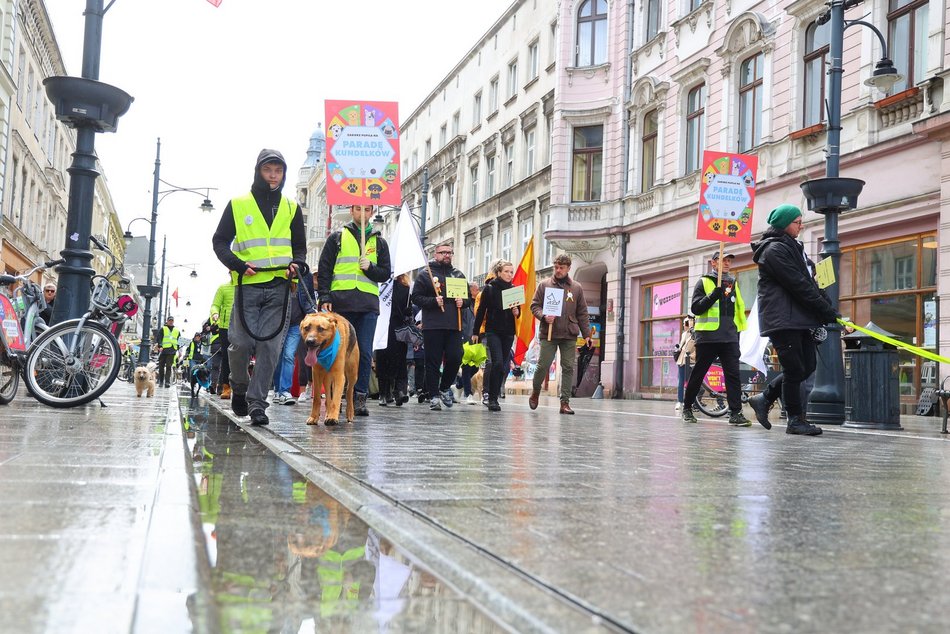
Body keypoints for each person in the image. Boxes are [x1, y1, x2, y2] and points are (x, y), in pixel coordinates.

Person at [211, 148, 307, 426]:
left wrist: (297, 264)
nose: (273, 175)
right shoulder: (238, 204)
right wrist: (238, 265)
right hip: (248, 285)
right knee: (240, 343)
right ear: (258, 171)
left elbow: (299, 248)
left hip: (280, 287)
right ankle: (239, 386)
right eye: (268, 170)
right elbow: (219, 242)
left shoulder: (291, 207)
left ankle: (257, 404)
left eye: (278, 170)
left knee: (269, 348)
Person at [748, 204, 838, 436]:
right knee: (795, 369)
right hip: (782, 319)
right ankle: (795, 420)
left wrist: (829, 309)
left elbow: (810, 283)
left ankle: (765, 398)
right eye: (797, 222)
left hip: (798, 318)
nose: (801, 226)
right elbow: (798, 285)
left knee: (807, 366)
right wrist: (825, 311)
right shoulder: (773, 250)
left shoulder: (794, 248)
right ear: (784, 224)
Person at [317, 204, 393, 417]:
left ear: (372, 212)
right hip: (341, 303)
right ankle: (337, 396)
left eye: (367, 209)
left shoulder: (379, 242)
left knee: (365, 352)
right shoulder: (337, 238)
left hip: (367, 304)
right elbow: (325, 268)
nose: (363, 213)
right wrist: (324, 296)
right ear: (352, 211)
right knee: (337, 352)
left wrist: (371, 268)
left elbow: (385, 273)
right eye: (358, 209)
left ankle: (359, 396)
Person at [680, 252, 753, 426]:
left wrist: (737, 334)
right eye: (723, 260)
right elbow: (696, 309)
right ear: (713, 263)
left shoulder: (733, 283)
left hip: (730, 337)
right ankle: (687, 408)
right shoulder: (704, 281)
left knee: (733, 375)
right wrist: (713, 295)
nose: (727, 263)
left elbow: (737, 311)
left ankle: (735, 413)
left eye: (729, 261)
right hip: (708, 337)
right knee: (699, 373)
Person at [528, 254, 592, 415]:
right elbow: (534, 306)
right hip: (549, 333)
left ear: (568, 268)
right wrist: (543, 316)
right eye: (556, 267)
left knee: (568, 367)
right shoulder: (544, 285)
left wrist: (587, 335)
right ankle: (535, 391)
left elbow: (582, 313)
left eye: (561, 268)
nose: (558, 270)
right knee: (543, 365)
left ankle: (565, 402)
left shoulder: (576, 288)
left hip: (569, 333)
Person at [410, 242, 470, 411]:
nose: (447, 255)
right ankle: (434, 395)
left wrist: (463, 302)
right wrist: (433, 301)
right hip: (433, 325)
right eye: (443, 252)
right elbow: (416, 297)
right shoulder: (425, 274)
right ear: (435, 254)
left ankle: (444, 387)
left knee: (456, 357)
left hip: (454, 325)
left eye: (449, 252)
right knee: (433, 361)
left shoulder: (458, 274)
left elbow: (468, 299)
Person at [473, 259, 520, 411]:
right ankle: (491, 397)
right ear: (499, 273)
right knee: (497, 362)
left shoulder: (513, 289)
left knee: (503, 366)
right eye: (506, 271)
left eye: (511, 272)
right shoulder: (490, 288)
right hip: (493, 331)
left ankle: (495, 396)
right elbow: (481, 311)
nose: (509, 274)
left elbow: (517, 311)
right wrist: (475, 332)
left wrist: (517, 311)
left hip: (508, 332)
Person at [272, 272, 316, 405]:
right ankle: (277, 389)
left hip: (296, 324)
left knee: (289, 355)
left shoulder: (305, 276)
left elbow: (310, 297)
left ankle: (284, 391)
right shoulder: (280, 272)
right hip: (279, 323)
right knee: (278, 356)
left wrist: (312, 313)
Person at [377, 273, 412, 407]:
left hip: (399, 326)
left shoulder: (406, 288)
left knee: (400, 358)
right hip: (384, 327)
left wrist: (408, 311)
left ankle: (400, 391)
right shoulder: (382, 286)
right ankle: (384, 392)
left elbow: (408, 307)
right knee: (384, 358)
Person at [209, 280, 235, 399]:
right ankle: (226, 387)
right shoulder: (223, 288)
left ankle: (240, 386)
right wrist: (215, 313)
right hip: (225, 327)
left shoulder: (247, 287)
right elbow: (215, 305)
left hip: (243, 326)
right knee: (226, 358)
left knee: (243, 357)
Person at [674, 315, 696, 413]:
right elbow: (681, 346)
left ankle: (692, 402)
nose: (684, 325)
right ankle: (680, 401)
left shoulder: (695, 333)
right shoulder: (684, 334)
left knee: (692, 382)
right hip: (682, 360)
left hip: (692, 360)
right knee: (681, 382)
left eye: (686, 323)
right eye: (684, 323)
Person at [156, 315, 181, 388]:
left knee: (169, 366)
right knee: (161, 366)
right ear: (167, 321)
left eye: (172, 321)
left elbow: (179, 341)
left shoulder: (177, 330)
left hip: (172, 350)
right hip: (163, 350)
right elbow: (159, 338)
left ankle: (167, 382)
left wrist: (179, 350)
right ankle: (161, 381)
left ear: (173, 321)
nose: (170, 322)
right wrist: (160, 346)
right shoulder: (163, 329)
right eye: (169, 320)